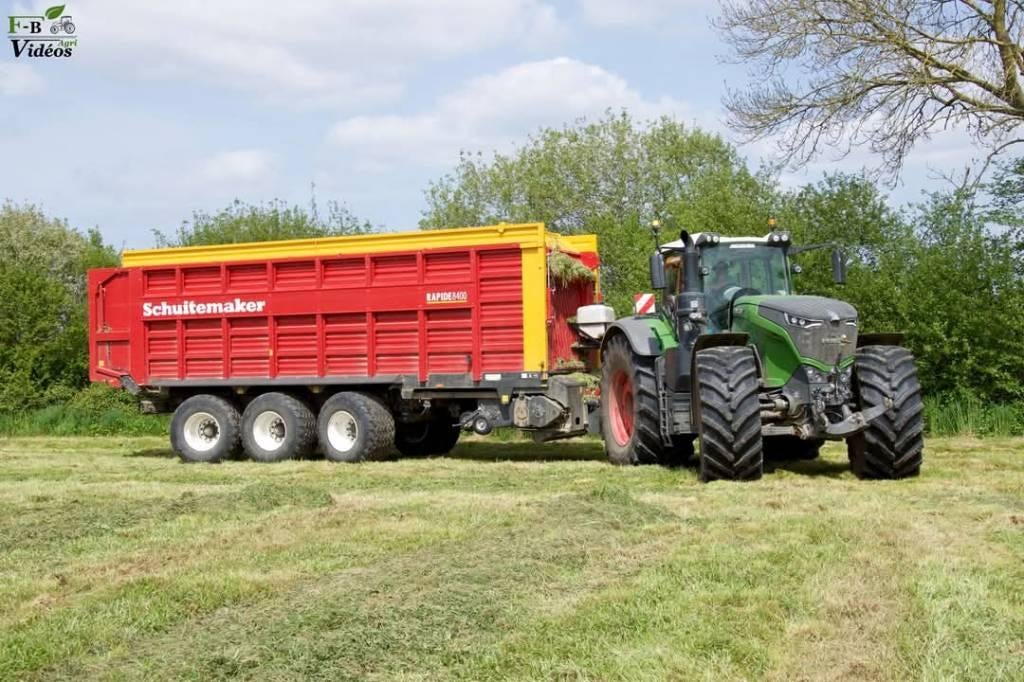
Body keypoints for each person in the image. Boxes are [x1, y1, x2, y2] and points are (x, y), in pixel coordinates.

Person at [705, 261, 735, 330]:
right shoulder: (709, 287)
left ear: (727, 270)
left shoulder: (733, 285)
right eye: (719, 269)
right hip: (713, 317)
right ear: (715, 271)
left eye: (724, 269)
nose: (722, 271)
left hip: (731, 315)